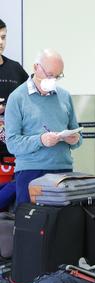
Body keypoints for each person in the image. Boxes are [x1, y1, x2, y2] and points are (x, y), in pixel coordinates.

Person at [4, 49, 82, 207]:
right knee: (30, 225)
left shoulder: (64, 96)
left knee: (63, 225)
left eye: (58, 76)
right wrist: (41, 140)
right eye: (50, 74)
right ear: (36, 67)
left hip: (63, 170)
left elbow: (77, 137)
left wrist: (74, 139)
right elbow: (12, 143)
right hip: (31, 172)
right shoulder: (17, 98)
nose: (53, 79)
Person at [0, 18, 28, 211]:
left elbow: (31, 100)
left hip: (13, 151)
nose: (0, 42)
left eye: (3, 37)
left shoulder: (15, 69)